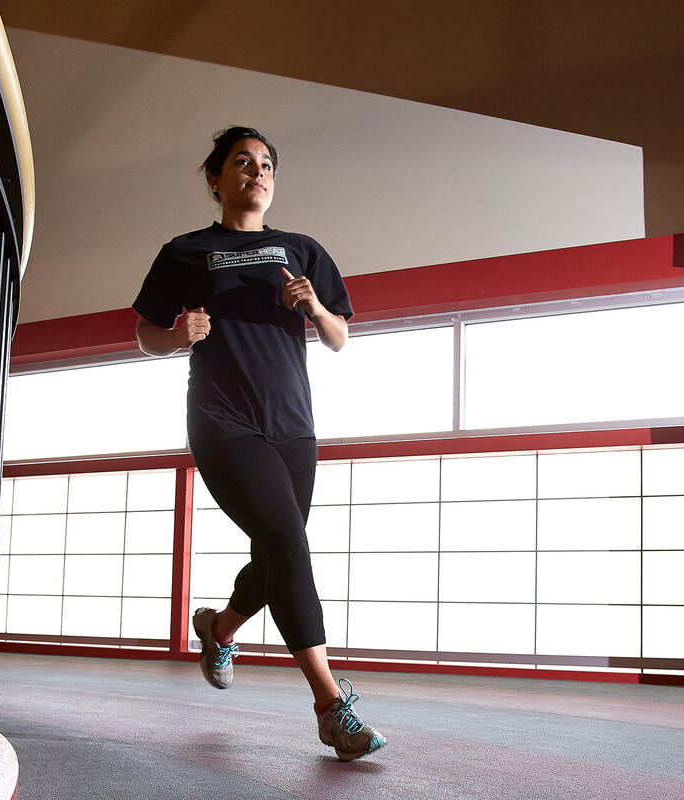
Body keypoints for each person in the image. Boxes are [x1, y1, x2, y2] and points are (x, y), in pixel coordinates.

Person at [132, 126, 387, 761]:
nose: (257, 171)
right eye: (242, 162)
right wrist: (180, 334)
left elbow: (338, 338)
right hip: (223, 419)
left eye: (266, 163)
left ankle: (218, 629)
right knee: (286, 541)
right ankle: (331, 704)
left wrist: (315, 309)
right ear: (214, 177)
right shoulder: (186, 251)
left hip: (293, 423)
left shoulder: (301, 249)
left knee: (279, 546)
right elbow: (145, 333)